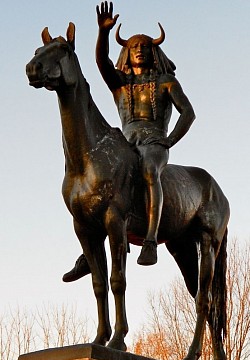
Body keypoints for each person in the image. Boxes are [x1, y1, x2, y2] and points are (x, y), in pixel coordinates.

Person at [62, 1, 195, 282]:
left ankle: (150, 240)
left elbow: (188, 113)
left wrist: (170, 140)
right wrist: (103, 33)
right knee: (97, 182)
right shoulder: (120, 82)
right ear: (127, 51)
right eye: (134, 46)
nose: (139, 49)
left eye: (145, 46)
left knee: (149, 170)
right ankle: (89, 252)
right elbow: (101, 62)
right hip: (126, 141)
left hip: (154, 142)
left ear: (154, 52)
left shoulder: (166, 82)